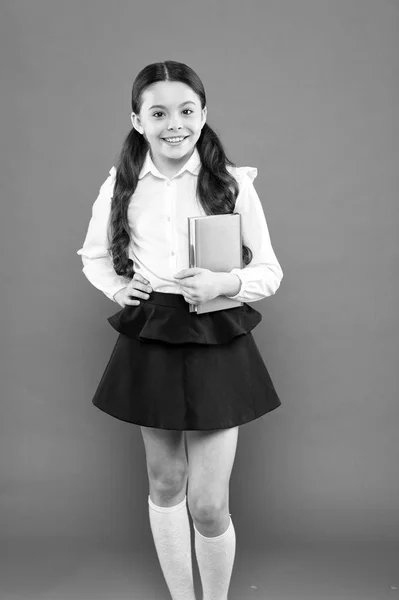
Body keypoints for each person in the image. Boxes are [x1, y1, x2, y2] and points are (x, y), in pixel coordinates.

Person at [76, 60, 283, 600]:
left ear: (204, 113)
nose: (175, 123)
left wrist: (221, 284)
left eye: (187, 110)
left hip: (217, 334)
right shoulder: (121, 183)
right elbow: (94, 256)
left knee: (209, 503)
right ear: (137, 119)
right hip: (153, 333)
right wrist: (120, 289)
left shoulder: (233, 184)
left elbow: (268, 273)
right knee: (166, 483)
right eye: (159, 111)